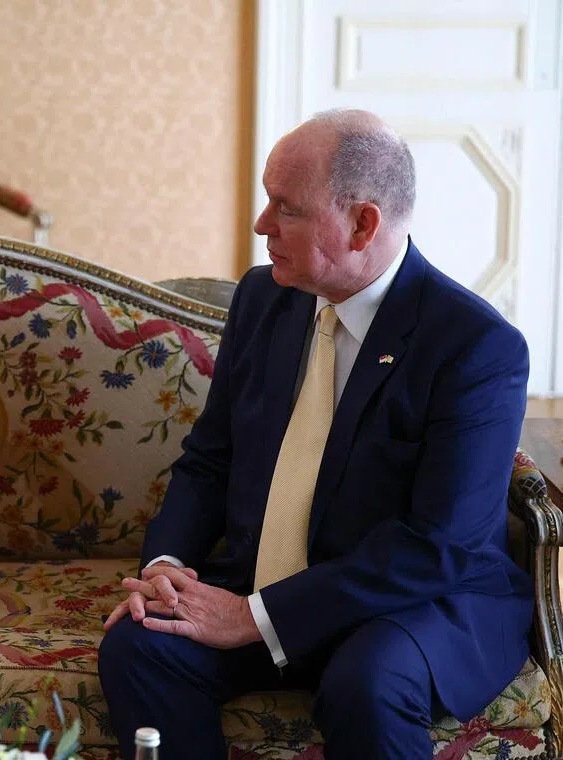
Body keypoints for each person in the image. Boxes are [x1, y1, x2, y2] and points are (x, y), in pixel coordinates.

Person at [98, 109, 533, 759]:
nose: (261, 225)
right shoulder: (262, 299)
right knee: (140, 646)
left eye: (286, 208)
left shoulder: (475, 346)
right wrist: (166, 568)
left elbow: (439, 547)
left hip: (412, 605)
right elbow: (210, 459)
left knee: (368, 684)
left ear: (363, 224)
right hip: (264, 581)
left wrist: (253, 618)